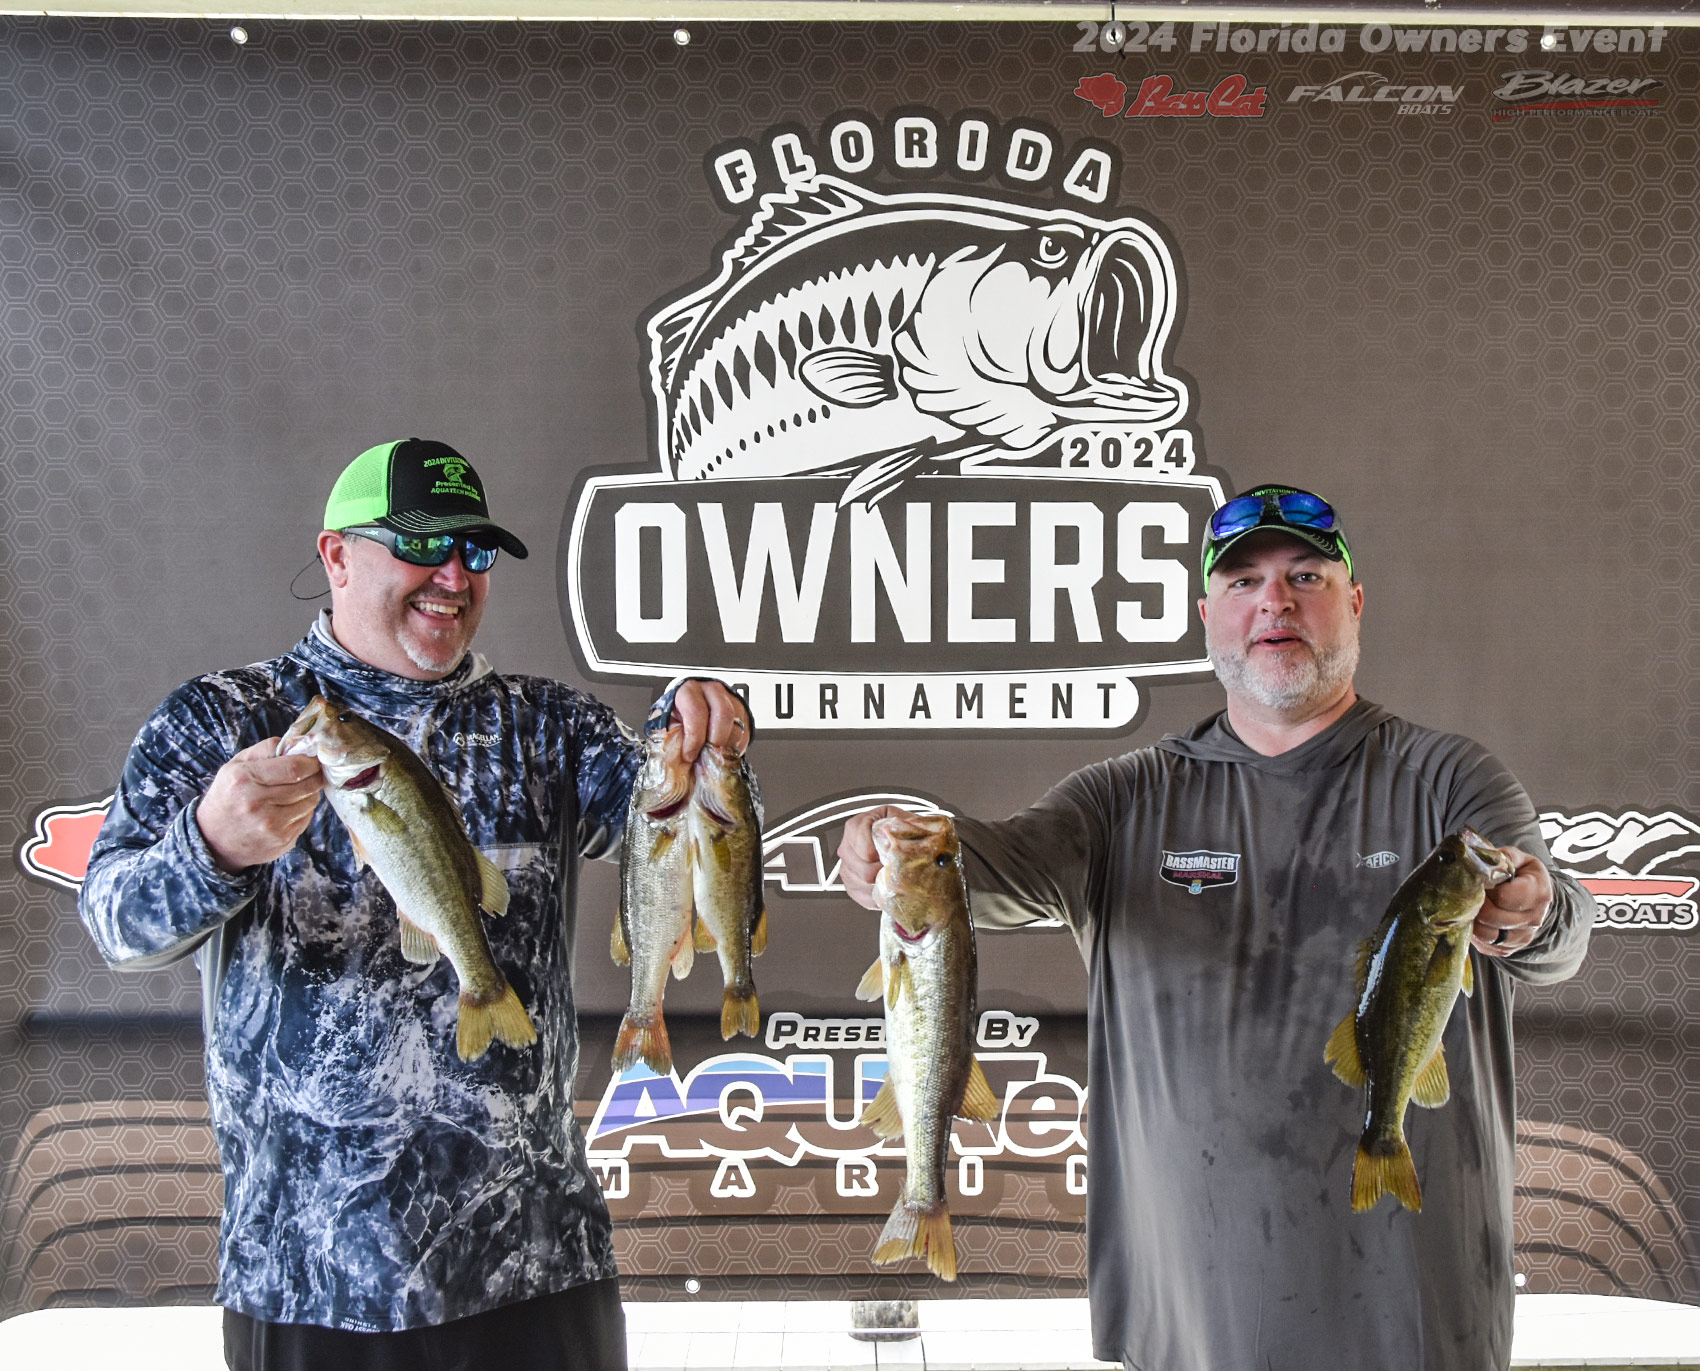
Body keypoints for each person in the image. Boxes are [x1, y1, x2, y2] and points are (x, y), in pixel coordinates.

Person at [838, 484, 1593, 1371]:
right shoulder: (1122, 799)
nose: (1275, 601)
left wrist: (1534, 911)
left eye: (1305, 576)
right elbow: (981, 873)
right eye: (1243, 582)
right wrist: (888, 847)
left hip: (1417, 1315)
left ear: (1354, 603)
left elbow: (1562, 931)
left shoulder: (1450, 779)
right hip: (1188, 1318)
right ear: (1208, 617)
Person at [79, 437, 750, 1371]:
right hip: (306, 1277)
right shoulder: (221, 719)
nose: (453, 575)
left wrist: (692, 724)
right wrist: (212, 843)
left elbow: (671, 819)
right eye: (421, 543)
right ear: (337, 555)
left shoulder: (548, 724)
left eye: (474, 550)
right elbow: (115, 923)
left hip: (537, 1263)